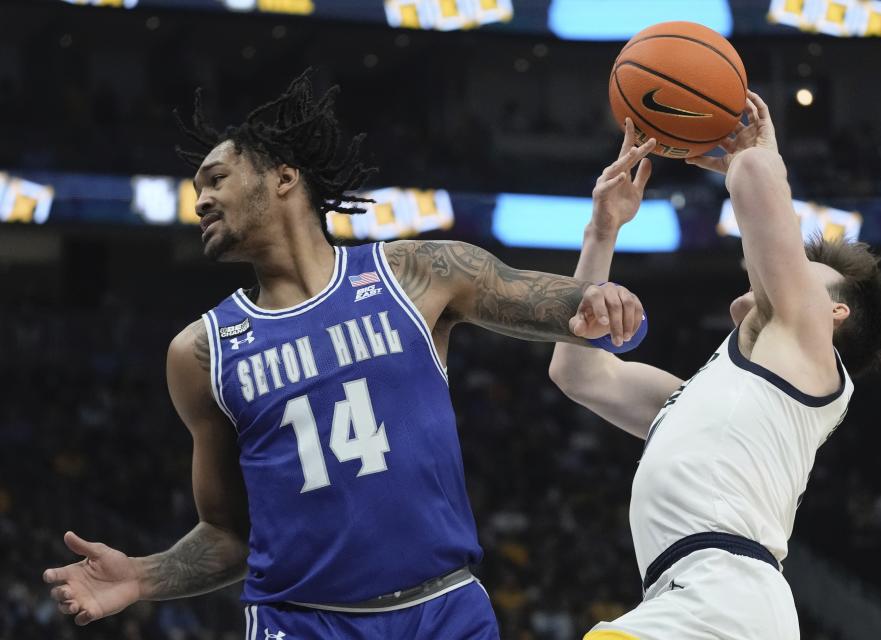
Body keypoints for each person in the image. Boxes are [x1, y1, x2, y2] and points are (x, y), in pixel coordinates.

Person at [42, 70, 644, 639]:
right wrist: (141, 576)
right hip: (305, 622)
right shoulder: (202, 352)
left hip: (444, 611)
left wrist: (598, 298)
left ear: (283, 177)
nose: (200, 199)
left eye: (216, 179)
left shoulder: (414, 274)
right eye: (197, 188)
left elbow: (555, 304)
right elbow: (229, 534)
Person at [549, 94, 881, 640]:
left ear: (833, 313)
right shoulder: (707, 398)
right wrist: (603, 233)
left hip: (723, 599)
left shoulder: (812, 354)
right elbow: (578, 374)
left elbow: (759, 194)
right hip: (699, 601)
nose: (778, 268)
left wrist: (754, 149)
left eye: (801, 270)